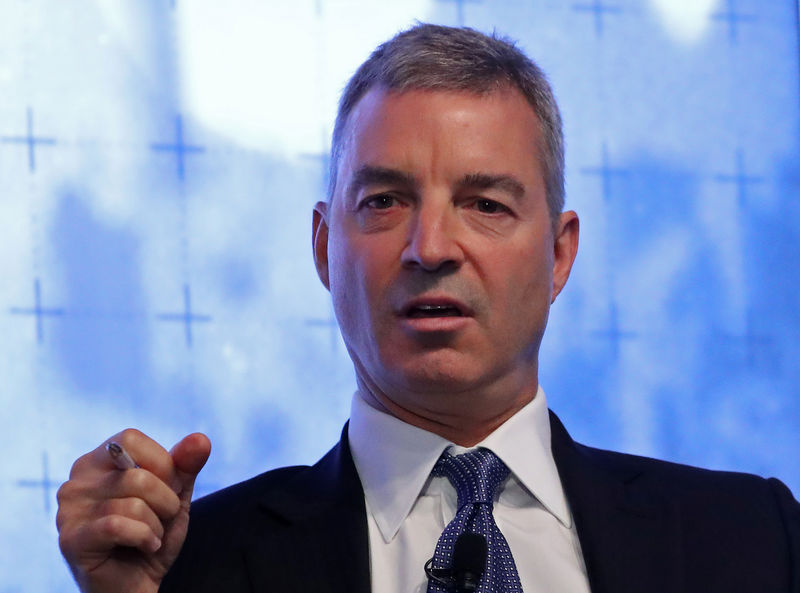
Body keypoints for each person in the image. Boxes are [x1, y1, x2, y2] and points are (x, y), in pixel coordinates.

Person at [56, 23, 799, 593]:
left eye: (484, 203)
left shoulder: (750, 539)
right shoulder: (189, 565)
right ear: (323, 246)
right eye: (384, 201)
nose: (431, 246)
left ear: (560, 255)